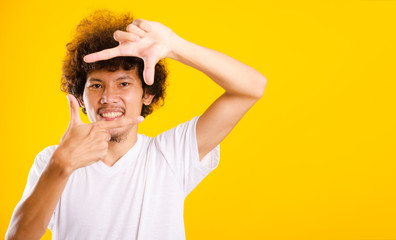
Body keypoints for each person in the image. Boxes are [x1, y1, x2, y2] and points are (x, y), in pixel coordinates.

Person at [5, 9, 266, 240]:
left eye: (124, 83)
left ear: (147, 94)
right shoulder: (52, 160)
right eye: (96, 85)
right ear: (81, 98)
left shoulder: (171, 155)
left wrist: (174, 46)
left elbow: (252, 87)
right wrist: (61, 166)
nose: (108, 98)